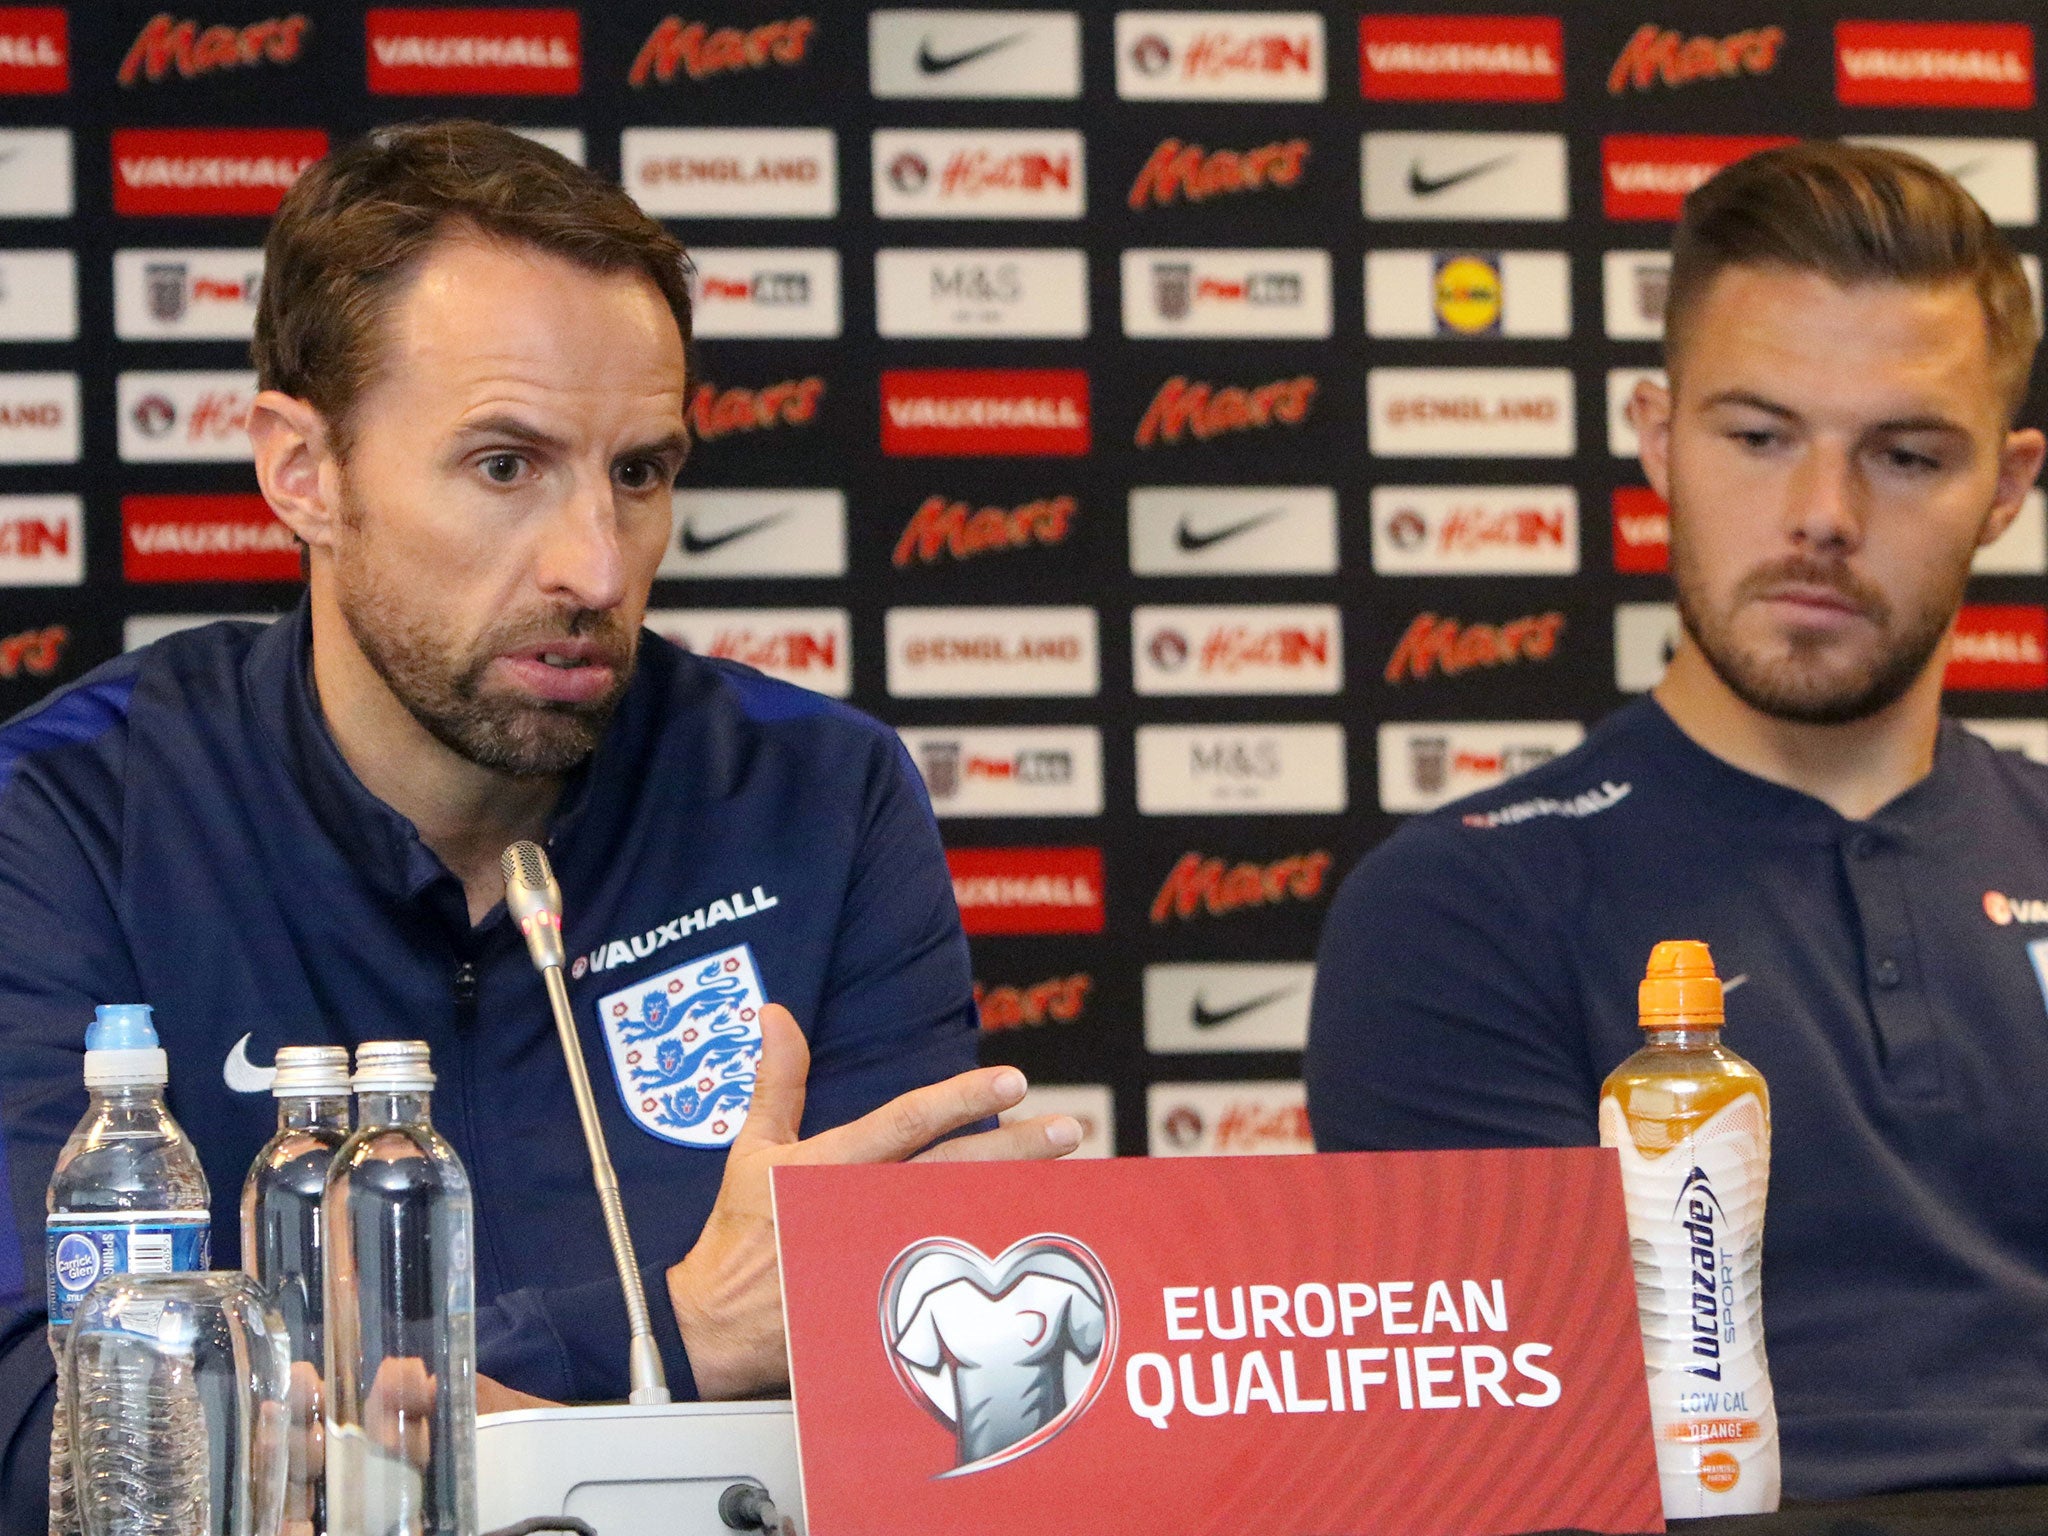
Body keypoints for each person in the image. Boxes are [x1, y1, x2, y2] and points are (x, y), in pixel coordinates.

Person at [0, 120, 1080, 1526]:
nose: (592, 565)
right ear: (301, 469)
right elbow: (54, 1429)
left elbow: (933, 1395)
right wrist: (675, 1339)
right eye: (506, 466)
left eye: (639, 474)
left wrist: (420, 1412)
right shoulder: (68, 814)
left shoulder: (817, 796)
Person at [1307, 141, 2048, 1500]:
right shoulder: (1463, 908)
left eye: (1905, 452)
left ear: (2006, 485)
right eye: (1758, 436)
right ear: (1659, 438)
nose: (1822, 516)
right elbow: (1519, 1468)